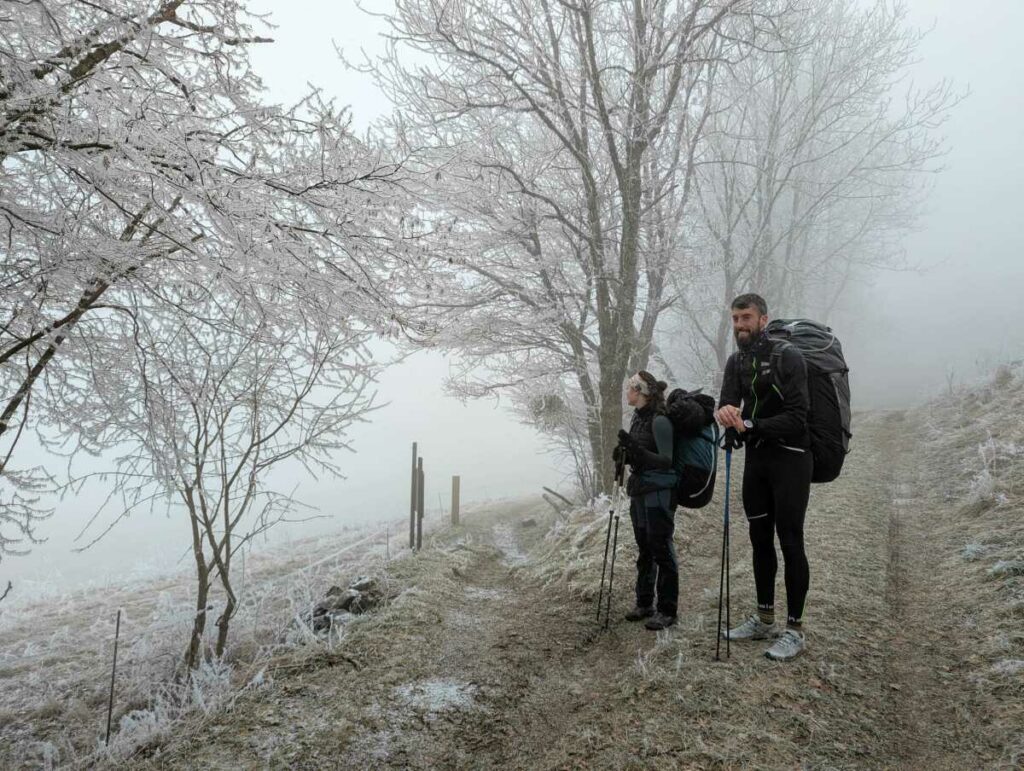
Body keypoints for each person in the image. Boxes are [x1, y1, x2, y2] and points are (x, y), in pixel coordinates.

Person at [714, 293, 812, 661]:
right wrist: (725, 417)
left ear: (763, 319)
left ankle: (795, 630)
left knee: (790, 541)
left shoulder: (789, 357)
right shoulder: (736, 362)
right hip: (756, 462)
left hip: (791, 459)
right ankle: (764, 618)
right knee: (759, 539)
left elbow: (798, 416)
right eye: (735, 318)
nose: (739, 325)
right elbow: (727, 407)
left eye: (746, 317)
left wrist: (749, 423)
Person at [615, 370, 678, 631]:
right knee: (644, 547)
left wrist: (637, 450)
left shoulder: (659, 420)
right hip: (640, 488)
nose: (627, 392)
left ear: (642, 393)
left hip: (660, 490)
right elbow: (640, 455)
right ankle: (644, 603)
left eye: (631, 387)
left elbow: (667, 460)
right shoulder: (637, 418)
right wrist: (624, 455)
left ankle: (667, 610)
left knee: (660, 546)